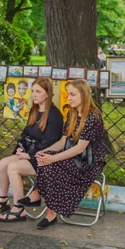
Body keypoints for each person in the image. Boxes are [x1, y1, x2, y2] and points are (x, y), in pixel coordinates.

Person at [32, 79, 106, 229]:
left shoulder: (92, 118)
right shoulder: (72, 115)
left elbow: (79, 149)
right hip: (75, 157)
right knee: (44, 160)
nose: (68, 98)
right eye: (68, 94)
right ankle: (47, 209)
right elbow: (64, 141)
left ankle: (41, 200)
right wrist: (45, 152)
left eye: (72, 94)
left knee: (50, 165)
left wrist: (52, 158)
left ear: (84, 95)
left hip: (89, 162)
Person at [0, 77, 63, 222]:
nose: (34, 95)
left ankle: (19, 209)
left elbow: (49, 143)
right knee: (3, 162)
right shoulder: (34, 111)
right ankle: (3, 200)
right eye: (33, 91)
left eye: (38, 91)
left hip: (45, 158)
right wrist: (20, 150)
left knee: (13, 168)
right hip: (30, 153)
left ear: (47, 94)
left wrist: (29, 156)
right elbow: (25, 134)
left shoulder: (55, 115)